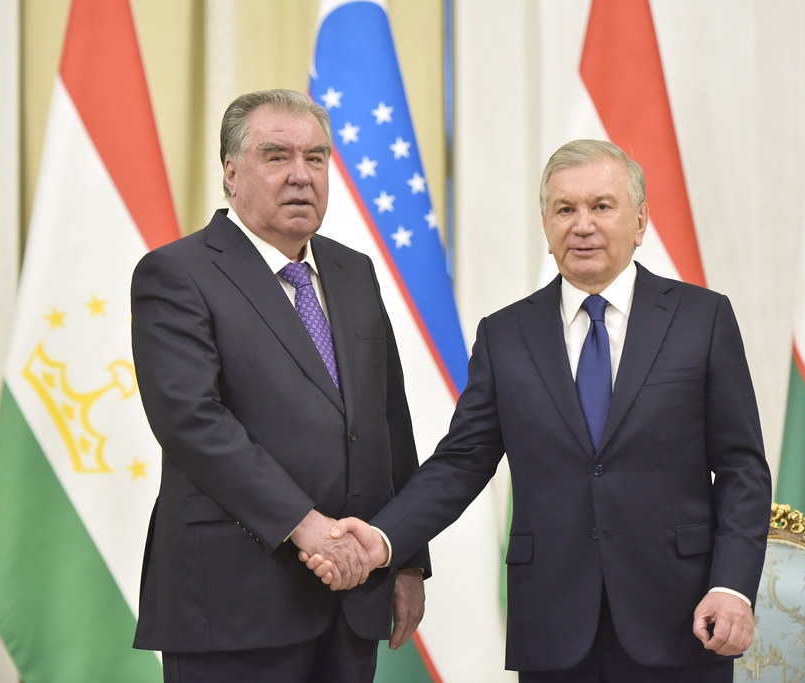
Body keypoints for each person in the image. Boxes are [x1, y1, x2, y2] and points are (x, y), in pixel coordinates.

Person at [305, 139, 772, 682]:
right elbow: (461, 462)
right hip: (553, 625)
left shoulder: (702, 319)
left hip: (682, 616)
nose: (582, 225)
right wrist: (384, 538)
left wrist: (732, 585)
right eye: (565, 209)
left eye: (602, 206)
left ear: (641, 221)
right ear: (547, 227)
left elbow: (742, 468)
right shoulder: (505, 335)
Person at [129, 89, 427, 683]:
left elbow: (389, 420)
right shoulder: (177, 273)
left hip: (352, 597)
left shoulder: (353, 271)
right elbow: (192, 422)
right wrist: (305, 524)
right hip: (234, 602)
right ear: (231, 174)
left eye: (315, 158)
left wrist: (407, 556)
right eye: (276, 156)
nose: (300, 175)